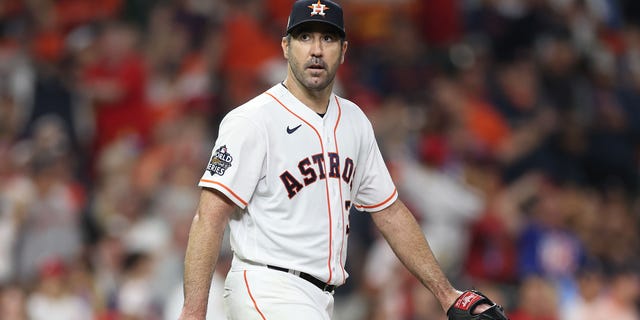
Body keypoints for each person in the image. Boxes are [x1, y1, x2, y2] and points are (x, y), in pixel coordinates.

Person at [179, 1, 507, 319]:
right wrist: (193, 312)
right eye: (305, 37)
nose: (316, 49)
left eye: (328, 38)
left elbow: (389, 212)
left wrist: (447, 294)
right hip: (267, 286)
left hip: (320, 298)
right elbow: (209, 217)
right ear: (285, 46)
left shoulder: (354, 121)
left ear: (344, 50)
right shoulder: (252, 120)